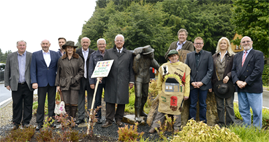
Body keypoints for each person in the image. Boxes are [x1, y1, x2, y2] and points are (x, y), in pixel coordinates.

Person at [149, 49, 190, 133]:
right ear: (169, 58)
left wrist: (186, 93)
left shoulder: (184, 67)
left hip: (178, 94)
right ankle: (155, 126)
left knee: (177, 111)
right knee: (161, 110)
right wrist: (160, 92)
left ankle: (176, 128)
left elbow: (187, 82)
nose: (173, 58)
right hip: (165, 93)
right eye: (171, 56)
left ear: (178, 56)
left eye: (175, 56)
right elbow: (159, 82)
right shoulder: (164, 67)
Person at [101, 34, 134, 128]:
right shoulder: (108, 52)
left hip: (124, 80)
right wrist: (100, 76)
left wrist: (131, 81)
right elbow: (103, 65)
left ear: (123, 42)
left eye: (121, 40)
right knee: (110, 101)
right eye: (117, 40)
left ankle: (119, 119)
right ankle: (109, 120)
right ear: (115, 42)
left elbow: (131, 68)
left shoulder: (129, 53)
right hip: (111, 80)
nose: (119, 42)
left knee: (121, 101)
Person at [231, 36, 264, 128]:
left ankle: (257, 130)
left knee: (256, 111)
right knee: (243, 110)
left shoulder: (258, 54)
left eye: (247, 41)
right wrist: (237, 81)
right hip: (240, 87)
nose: (246, 43)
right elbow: (233, 70)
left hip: (253, 86)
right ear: (241, 44)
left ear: (252, 42)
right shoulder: (237, 55)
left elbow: (258, 70)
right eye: (243, 42)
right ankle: (246, 129)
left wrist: (245, 82)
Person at [31, 40, 60, 130]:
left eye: (46, 44)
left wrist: (58, 82)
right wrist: (34, 81)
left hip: (52, 82)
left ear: (49, 45)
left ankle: (51, 122)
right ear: (41, 45)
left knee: (51, 103)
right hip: (41, 82)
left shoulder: (55, 54)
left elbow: (59, 68)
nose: (45, 45)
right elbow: (33, 69)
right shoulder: (35, 54)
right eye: (43, 44)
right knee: (40, 103)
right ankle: (40, 123)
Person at [4, 40, 33, 130]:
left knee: (28, 104)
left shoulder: (30, 56)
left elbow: (34, 69)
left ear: (26, 46)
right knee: (16, 104)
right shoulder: (11, 56)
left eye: (23, 45)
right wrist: (6, 83)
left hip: (28, 84)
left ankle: (26, 122)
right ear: (17, 46)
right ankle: (16, 122)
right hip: (15, 85)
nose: (22, 47)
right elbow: (7, 70)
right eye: (20, 45)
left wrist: (35, 82)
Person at [185, 37, 213, 123]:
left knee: (203, 105)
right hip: (192, 85)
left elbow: (210, 70)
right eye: (197, 43)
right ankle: (192, 122)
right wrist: (192, 81)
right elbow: (186, 69)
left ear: (203, 44)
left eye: (200, 43)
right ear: (194, 44)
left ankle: (203, 122)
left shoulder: (208, 55)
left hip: (203, 85)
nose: (198, 45)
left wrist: (202, 82)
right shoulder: (189, 55)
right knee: (192, 104)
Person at [210, 37, 235, 127]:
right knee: (219, 106)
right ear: (219, 45)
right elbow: (211, 70)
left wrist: (228, 76)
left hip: (229, 84)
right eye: (221, 43)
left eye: (224, 43)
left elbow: (235, 69)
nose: (223, 45)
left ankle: (230, 124)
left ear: (228, 45)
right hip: (217, 84)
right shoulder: (214, 56)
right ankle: (221, 123)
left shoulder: (232, 56)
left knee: (229, 105)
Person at [55, 41, 84, 120]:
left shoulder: (78, 58)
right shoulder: (61, 59)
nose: (70, 49)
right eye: (68, 48)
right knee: (66, 103)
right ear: (65, 49)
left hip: (75, 83)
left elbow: (81, 71)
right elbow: (58, 72)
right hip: (64, 83)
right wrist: (57, 84)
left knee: (74, 103)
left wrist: (75, 79)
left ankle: (73, 119)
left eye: (71, 48)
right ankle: (67, 120)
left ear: (73, 49)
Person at [132, 45, 159, 122]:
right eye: (151, 53)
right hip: (138, 78)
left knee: (145, 95)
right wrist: (136, 61)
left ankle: (141, 111)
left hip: (146, 78)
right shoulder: (138, 58)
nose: (152, 54)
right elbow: (135, 70)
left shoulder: (150, 59)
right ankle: (136, 115)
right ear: (146, 54)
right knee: (138, 96)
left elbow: (158, 67)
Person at [75, 37, 95, 125]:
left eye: (87, 42)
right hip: (80, 78)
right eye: (84, 42)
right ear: (81, 43)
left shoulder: (93, 52)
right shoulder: (77, 52)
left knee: (91, 97)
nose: (85, 44)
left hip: (90, 78)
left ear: (89, 43)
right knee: (80, 98)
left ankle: (90, 117)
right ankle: (81, 117)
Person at [88, 38, 107, 124]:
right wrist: (91, 82)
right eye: (100, 44)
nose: (101, 45)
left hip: (108, 81)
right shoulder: (93, 55)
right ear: (97, 45)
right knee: (97, 99)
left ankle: (109, 117)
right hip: (97, 81)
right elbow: (90, 69)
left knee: (109, 99)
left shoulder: (109, 54)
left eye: (103, 44)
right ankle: (98, 117)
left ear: (105, 45)